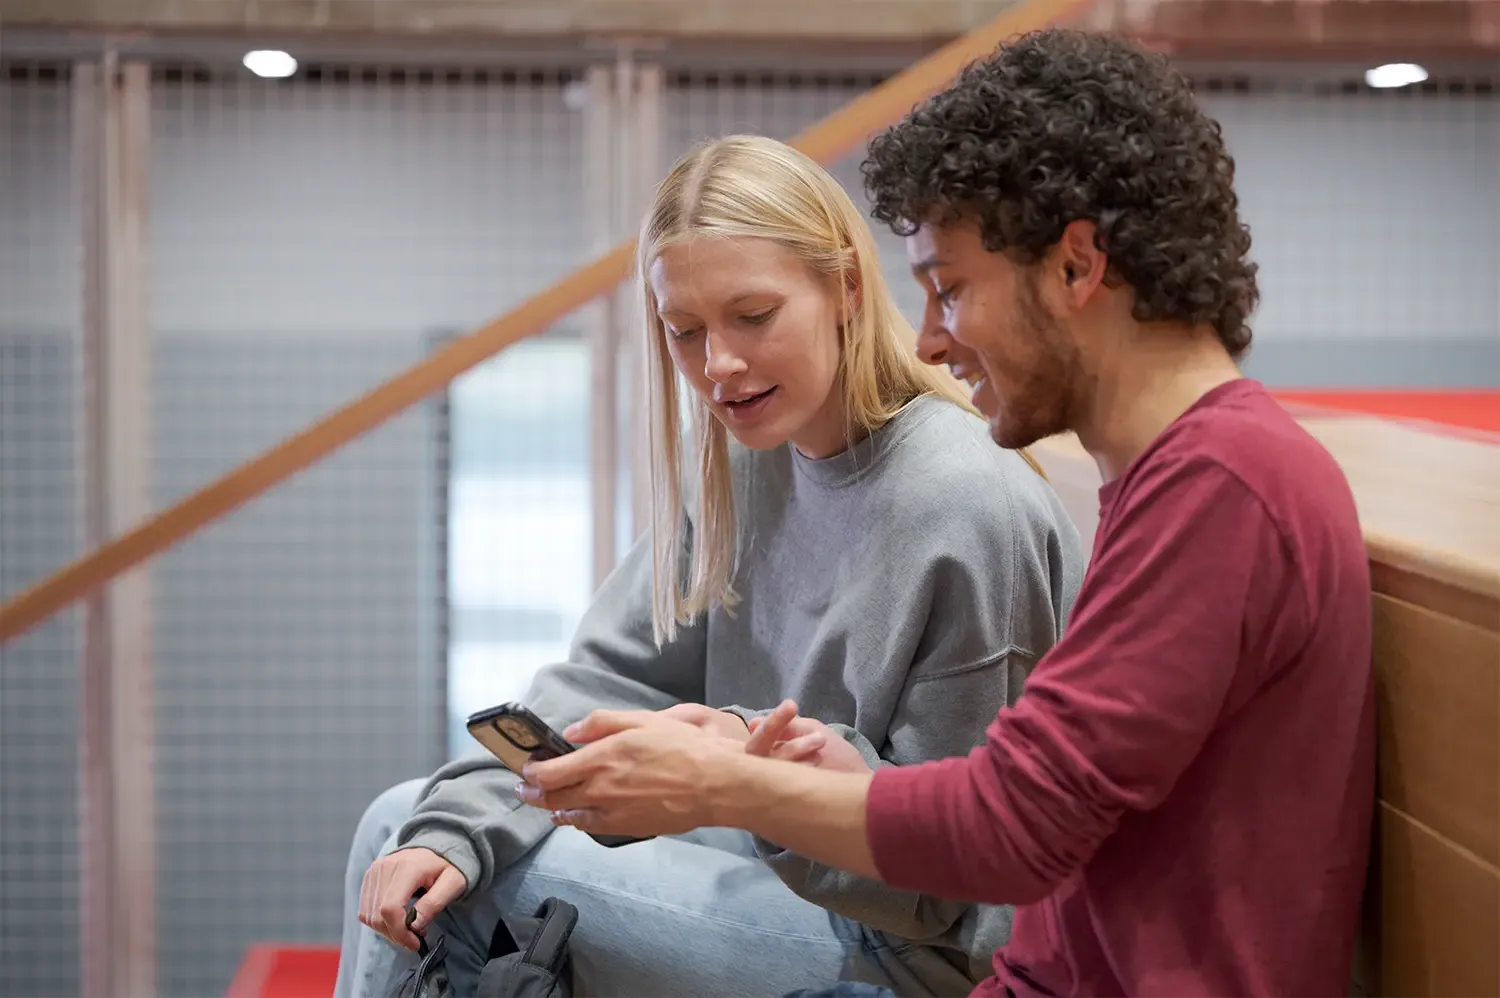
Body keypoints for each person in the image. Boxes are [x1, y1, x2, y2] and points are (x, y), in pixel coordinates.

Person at [517, 28, 1377, 998]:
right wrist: (825, 771)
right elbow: (1030, 819)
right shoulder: (1166, 477)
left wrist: (720, 784)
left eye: (951, 289)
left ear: (1076, 266)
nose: (932, 336)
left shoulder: (1227, 484)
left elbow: (1011, 829)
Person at [335, 133, 1085, 998]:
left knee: (456, 887)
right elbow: (609, 681)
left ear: (845, 286)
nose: (718, 366)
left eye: (753, 317)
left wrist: (744, 772)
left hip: (921, 952)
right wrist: (460, 826)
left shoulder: (961, 501)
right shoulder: (744, 458)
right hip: (775, 867)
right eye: (684, 332)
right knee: (408, 830)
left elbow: (959, 879)